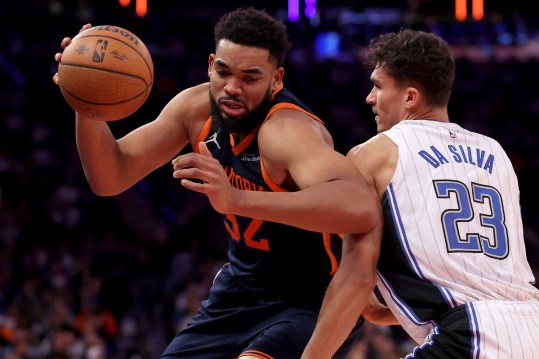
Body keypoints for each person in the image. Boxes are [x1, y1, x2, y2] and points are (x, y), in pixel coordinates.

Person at [53, 7, 380, 359]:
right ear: (210, 64)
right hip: (239, 290)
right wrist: (87, 102)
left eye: (250, 78)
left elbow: (359, 208)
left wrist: (236, 199)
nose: (232, 88)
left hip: (309, 301)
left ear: (276, 79)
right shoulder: (195, 110)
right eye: (223, 72)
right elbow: (109, 177)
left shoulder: (286, 131)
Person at [302, 28, 539, 358]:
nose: (369, 97)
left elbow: (356, 278)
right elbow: (475, 283)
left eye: (378, 86)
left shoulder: (375, 155)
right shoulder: (496, 152)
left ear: (410, 97)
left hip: (470, 337)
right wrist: (390, 309)